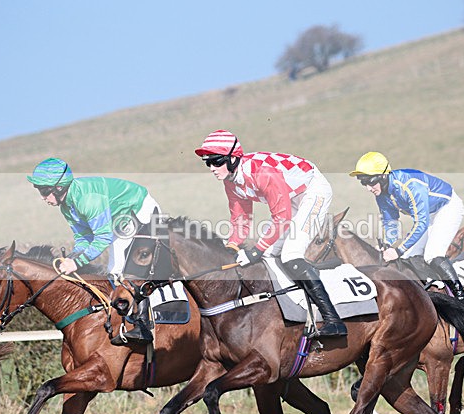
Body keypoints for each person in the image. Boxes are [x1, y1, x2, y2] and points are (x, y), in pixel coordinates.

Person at [194, 129, 347, 338]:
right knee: (266, 255)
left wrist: (256, 249)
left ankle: (333, 320)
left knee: (290, 254)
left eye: (216, 161)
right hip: (290, 196)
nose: (212, 168)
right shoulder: (230, 180)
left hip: (312, 191)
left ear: (232, 158)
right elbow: (240, 218)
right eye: (207, 162)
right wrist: (231, 246)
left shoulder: (261, 172)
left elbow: (281, 217)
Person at [27, 157, 162, 344]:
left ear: (59, 187)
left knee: (120, 269)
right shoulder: (66, 206)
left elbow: (103, 237)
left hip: (137, 209)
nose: (42, 197)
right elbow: (84, 238)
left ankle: (142, 325)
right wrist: (74, 256)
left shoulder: (87, 200)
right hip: (116, 218)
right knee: (112, 269)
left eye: (44, 191)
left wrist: (77, 262)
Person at [349, 152, 464, 305]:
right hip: (429, 214)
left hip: (447, 208)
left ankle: (463, 299)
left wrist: (398, 250)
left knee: (432, 255)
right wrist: (387, 245)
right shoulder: (381, 194)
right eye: (363, 182)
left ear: (382, 176)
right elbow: (390, 221)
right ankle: (433, 292)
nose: (368, 187)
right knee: (408, 258)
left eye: (370, 181)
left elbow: (421, 223)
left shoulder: (409, 185)